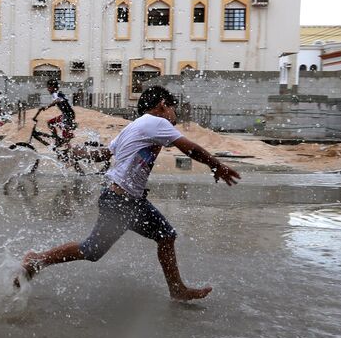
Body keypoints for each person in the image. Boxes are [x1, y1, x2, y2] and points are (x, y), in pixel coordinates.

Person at [18, 85, 241, 301]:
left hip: (127, 199)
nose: (175, 114)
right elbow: (189, 148)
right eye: (174, 108)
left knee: (165, 236)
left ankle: (177, 289)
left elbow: (104, 154)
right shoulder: (156, 122)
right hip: (121, 200)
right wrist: (217, 166)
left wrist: (79, 153)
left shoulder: (133, 126)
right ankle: (37, 259)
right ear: (163, 105)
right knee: (92, 250)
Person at [34, 79, 77, 143]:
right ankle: (58, 139)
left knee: (65, 135)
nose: (48, 89)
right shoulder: (58, 93)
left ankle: (63, 143)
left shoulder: (55, 94)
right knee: (51, 123)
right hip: (67, 114)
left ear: (53, 87)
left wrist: (47, 107)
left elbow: (58, 100)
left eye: (49, 87)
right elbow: (58, 101)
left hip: (68, 116)